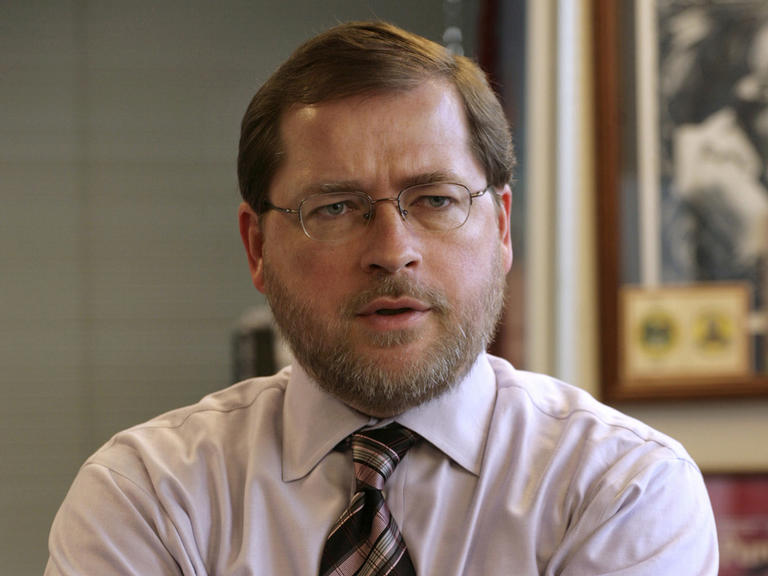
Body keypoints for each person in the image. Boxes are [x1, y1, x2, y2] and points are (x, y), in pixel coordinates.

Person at [45, 21, 719, 575]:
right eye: (335, 207)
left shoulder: (618, 487)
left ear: (502, 227)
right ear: (257, 247)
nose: (393, 250)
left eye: (435, 199)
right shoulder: (149, 496)